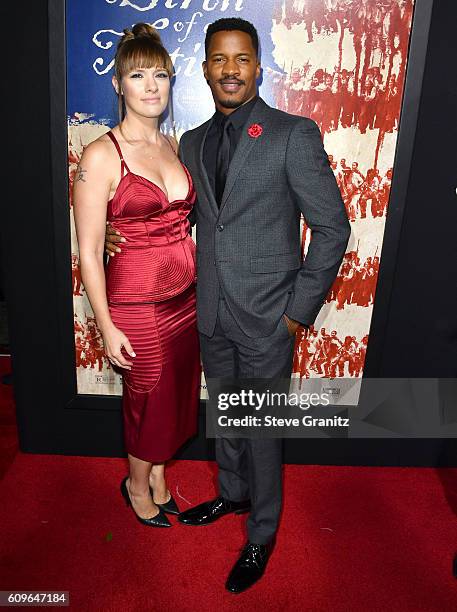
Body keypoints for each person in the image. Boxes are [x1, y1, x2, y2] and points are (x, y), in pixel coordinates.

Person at [106, 17, 350, 593]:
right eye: (219, 59)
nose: (230, 70)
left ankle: (262, 534)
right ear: (206, 68)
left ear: (258, 67)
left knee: (262, 429)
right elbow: (172, 216)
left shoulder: (293, 133)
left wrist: (297, 311)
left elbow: (332, 227)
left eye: (242, 59)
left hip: (270, 316)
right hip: (210, 310)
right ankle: (232, 496)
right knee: (229, 418)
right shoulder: (191, 142)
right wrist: (119, 233)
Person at [74, 24, 200, 529]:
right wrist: (106, 326)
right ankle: (136, 483)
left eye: (161, 75)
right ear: (118, 85)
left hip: (186, 299)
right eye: (138, 75)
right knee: (146, 400)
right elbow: (86, 251)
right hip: (136, 306)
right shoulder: (101, 155)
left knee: (178, 395)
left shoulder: (173, 143)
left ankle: (160, 474)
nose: (151, 86)